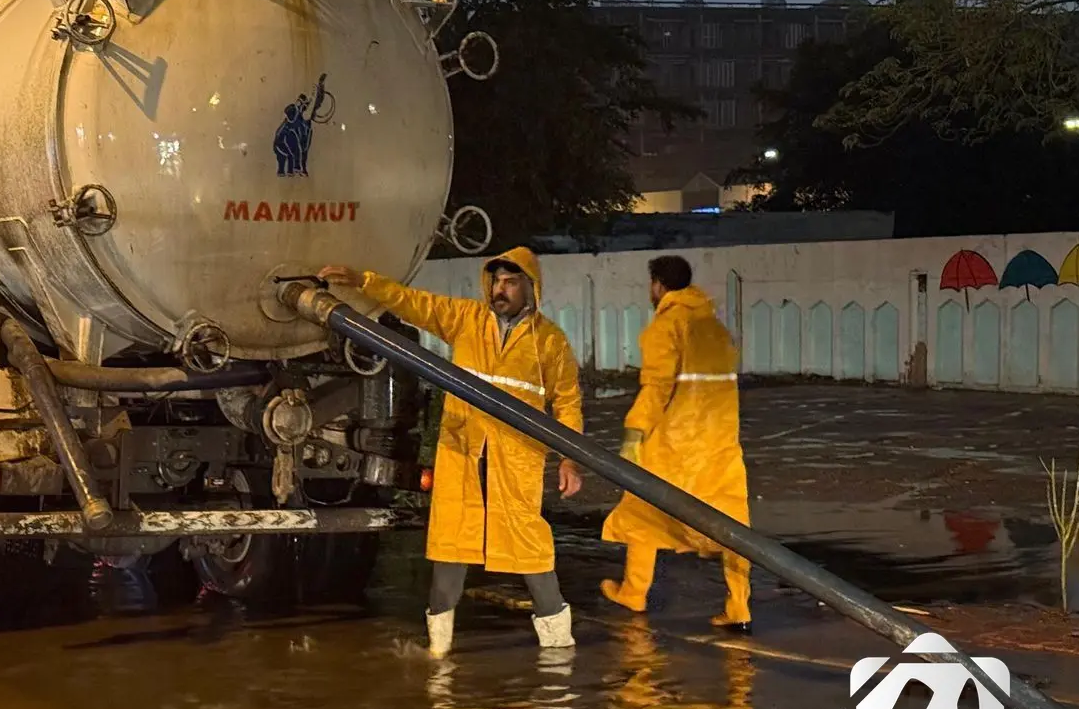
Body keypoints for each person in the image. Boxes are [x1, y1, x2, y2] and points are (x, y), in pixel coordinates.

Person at [318, 247, 585, 657]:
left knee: (529, 546)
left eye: (510, 282)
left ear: (530, 287)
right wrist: (364, 280)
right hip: (463, 451)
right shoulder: (466, 319)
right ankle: (438, 649)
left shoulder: (549, 341)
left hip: (514, 459)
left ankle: (558, 645)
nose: (500, 289)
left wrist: (570, 459)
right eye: (496, 281)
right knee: (450, 546)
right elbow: (415, 304)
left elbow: (567, 401)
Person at [600, 255, 753, 632]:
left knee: (641, 509)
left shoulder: (667, 326)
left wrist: (634, 433)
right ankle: (739, 606)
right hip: (719, 442)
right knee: (733, 527)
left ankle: (634, 592)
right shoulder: (715, 328)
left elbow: (656, 386)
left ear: (658, 285)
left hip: (677, 444)